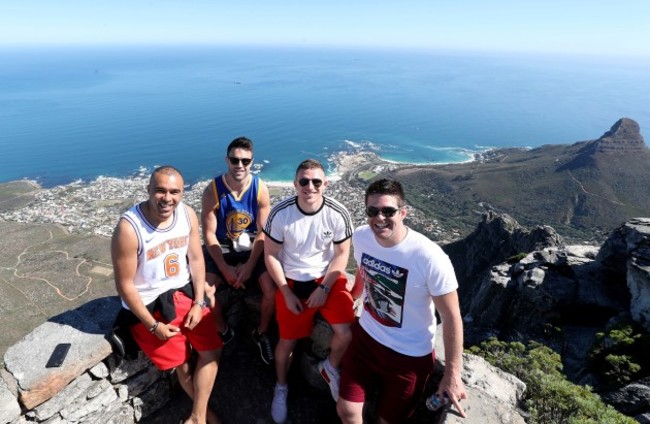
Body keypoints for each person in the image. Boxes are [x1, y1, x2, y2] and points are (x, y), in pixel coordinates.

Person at [336, 178, 468, 424]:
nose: (380, 217)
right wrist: (353, 296)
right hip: (365, 338)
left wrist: (452, 373)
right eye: (372, 211)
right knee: (347, 410)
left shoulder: (429, 257)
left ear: (403, 212)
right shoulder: (362, 237)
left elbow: (451, 317)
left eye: (388, 211)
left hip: (410, 355)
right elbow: (365, 272)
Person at [111, 166, 222, 424]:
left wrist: (199, 301)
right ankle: (205, 416)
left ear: (182, 193)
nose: (167, 198)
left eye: (174, 192)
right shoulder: (130, 229)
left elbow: (195, 259)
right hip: (149, 305)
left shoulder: (186, 215)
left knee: (212, 351)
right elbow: (125, 286)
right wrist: (152, 327)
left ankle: (197, 417)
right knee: (183, 363)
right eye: (160, 190)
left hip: (182, 293)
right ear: (148, 190)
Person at [264, 159, 355, 424]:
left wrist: (325, 287)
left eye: (316, 181)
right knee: (287, 342)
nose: (310, 187)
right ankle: (281, 387)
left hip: (327, 278)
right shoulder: (281, 213)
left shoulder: (337, 213)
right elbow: (270, 255)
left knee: (346, 333)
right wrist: (286, 292)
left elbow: (342, 254)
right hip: (292, 281)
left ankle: (330, 368)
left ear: (325, 184)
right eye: (304, 181)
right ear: (295, 184)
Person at [201, 136, 275, 365]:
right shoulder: (213, 190)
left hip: (252, 246)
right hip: (222, 246)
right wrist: (225, 268)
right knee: (204, 294)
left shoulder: (260, 189)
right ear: (227, 160)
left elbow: (263, 232)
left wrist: (250, 265)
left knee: (271, 291)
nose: (240, 165)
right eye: (235, 160)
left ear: (252, 161)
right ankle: (223, 331)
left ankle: (261, 333)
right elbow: (209, 234)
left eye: (245, 160)